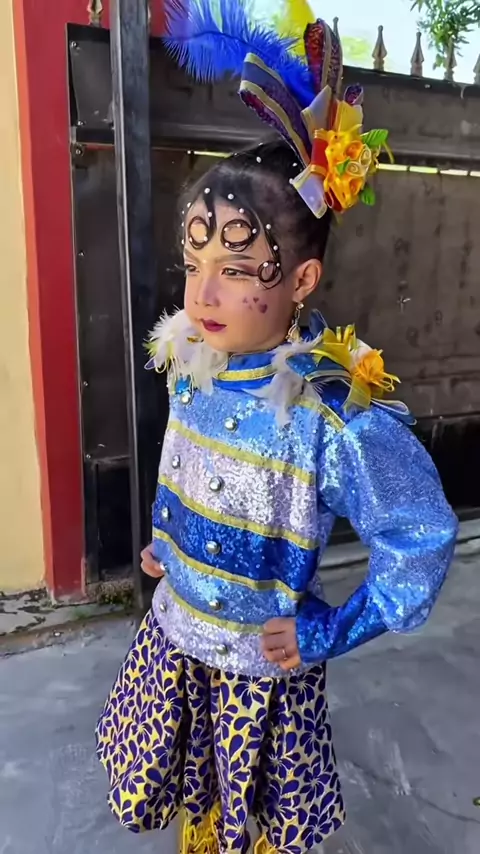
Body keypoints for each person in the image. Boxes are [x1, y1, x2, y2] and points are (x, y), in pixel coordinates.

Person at [96, 6, 458, 854]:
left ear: (301, 279)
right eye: (194, 265)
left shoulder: (330, 414)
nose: (201, 295)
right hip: (176, 634)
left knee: (256, 817)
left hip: (259, 669)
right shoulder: (193, 361)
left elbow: (420, 535)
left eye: (234, 269)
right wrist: (168, 540)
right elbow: (185, 463)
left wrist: (333, 628)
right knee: (193, 795)